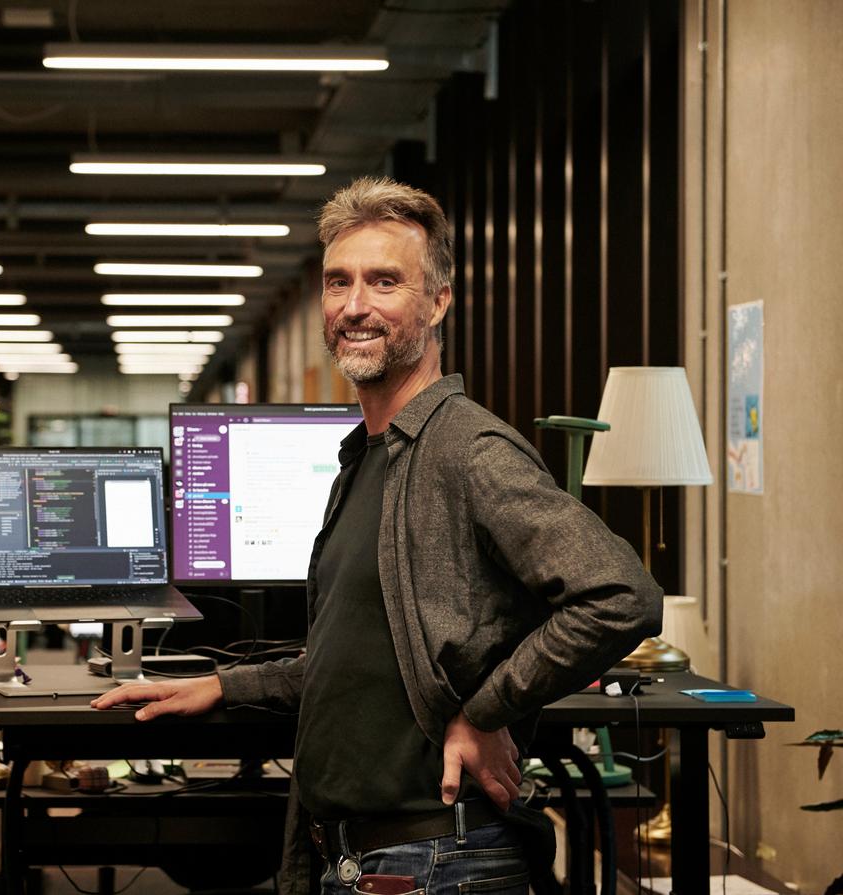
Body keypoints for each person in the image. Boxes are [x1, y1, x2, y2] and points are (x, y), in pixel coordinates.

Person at [93, 176, 663, 894]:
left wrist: (486, 709)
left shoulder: (468, 449)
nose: (354, 305)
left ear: (437, 301)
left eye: (384, 281)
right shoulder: (365, 459)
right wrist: (222, 684)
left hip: (438, 862)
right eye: (339, 282)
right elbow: (361, 660)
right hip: (360, 857)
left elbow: (621, 595)